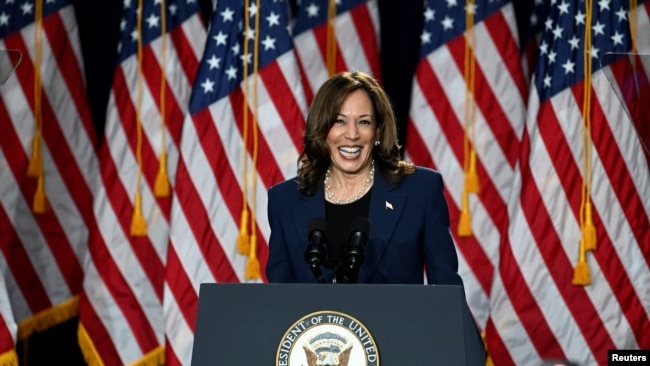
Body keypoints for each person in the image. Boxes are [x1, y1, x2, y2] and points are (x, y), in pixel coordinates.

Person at [265, 70, 463, 287]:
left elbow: (447, 290)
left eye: (364, 122)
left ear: (378, 131)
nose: (352, 134)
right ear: (322, 129)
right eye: (339, 121)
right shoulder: (284, 201)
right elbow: (280, 302)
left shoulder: (420, 192)